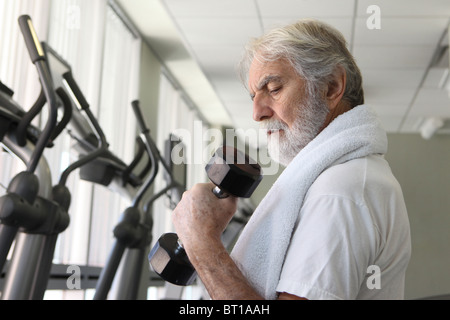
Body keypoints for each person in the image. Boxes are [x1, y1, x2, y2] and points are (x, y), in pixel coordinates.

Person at [171, 19, 411, 300]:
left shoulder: (341, 190)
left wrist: (202, 243)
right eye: (253, 96)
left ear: (332, 87)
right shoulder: (344, 180)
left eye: (273, 89)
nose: (257, 113)